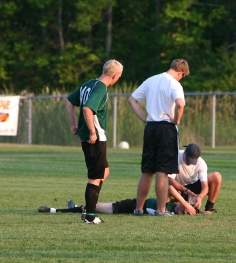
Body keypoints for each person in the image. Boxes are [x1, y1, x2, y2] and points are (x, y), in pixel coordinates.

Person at [128, 59, 189, 217]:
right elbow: (180, 104)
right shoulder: (174, 84)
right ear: (181, 73)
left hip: (150, 128)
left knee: (147, 170)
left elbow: (132, 100)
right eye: (182, 76)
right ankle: (161, 210)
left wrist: (143, 118)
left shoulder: (151, 80)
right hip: (166, 129)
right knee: (162, 171)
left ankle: (138, 208)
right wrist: (176, 120)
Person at [65, 59, 123, 224]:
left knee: (104, 171)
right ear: (114, 75)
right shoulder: (101, 88)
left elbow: (69, 101)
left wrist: (73, 125)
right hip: (94, 137)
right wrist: (92, 132)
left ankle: (90, 206)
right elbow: (87, 108)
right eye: (119, 76)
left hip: (88, 135)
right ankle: (90, 216)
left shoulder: (89, 84)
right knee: (95, 176)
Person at [37, 185, 199, 216]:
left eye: (184, 211)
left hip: (131, 207)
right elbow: (170, 188)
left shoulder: (169, 213)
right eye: (184, 207)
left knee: (90, 207)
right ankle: (68, 209)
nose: (182, 210)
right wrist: (186, 203)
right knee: (90, 207)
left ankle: (56, 210)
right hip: (132, 204)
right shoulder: (171, 203)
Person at [168, 143, 222, 214]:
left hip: (193, 186)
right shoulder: (175, 157)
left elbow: (205, 186)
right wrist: (187, 191)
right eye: (188, 159)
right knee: (169, 187)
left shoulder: (201, 163)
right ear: (185, 152)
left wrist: (199, 197)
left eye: (192, 161)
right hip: (178, 189)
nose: (189, 162)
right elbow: (170, 179)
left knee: (216, 176)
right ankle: (177, 206)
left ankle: (209, 208)